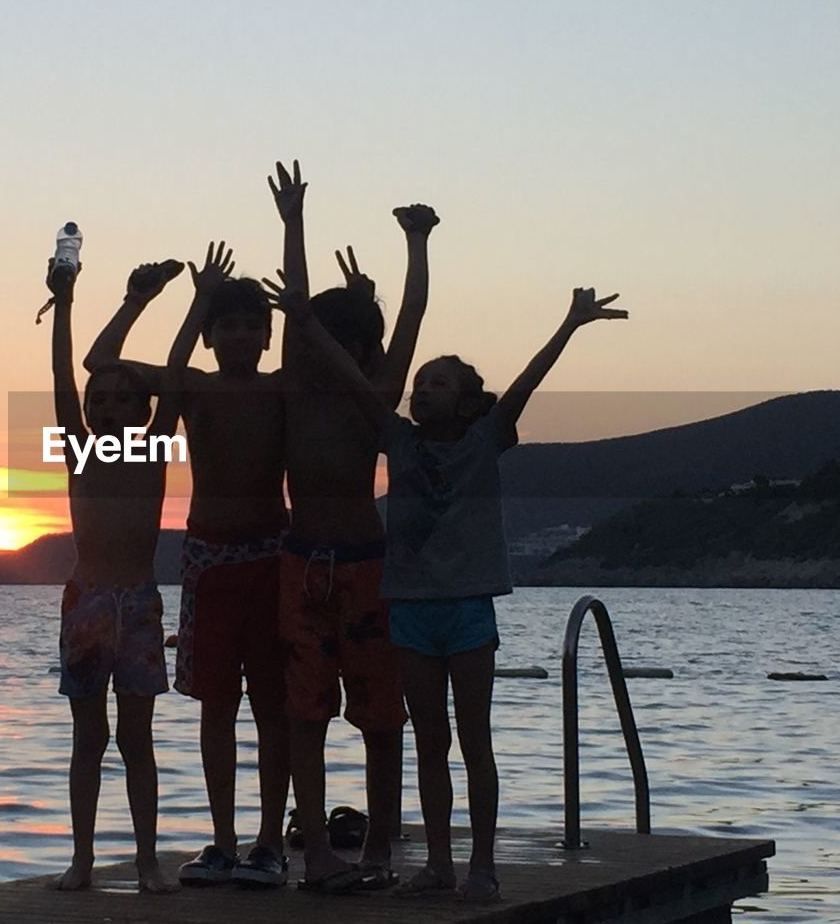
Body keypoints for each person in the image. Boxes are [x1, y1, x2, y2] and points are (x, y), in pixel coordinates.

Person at [262, 273, 628, 903]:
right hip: (409, 611)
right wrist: (305, 317)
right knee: (429, 741)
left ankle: (481, 864)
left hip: (465, 610)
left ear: (464, 403)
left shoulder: (485, 441)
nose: (422, 389)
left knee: (473, 739)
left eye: (438, 382)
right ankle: (436, 863)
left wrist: (568, 326)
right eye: (421, 380)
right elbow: (352, 380)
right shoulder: (397, 440)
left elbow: (522, 387)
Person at [84, 244, 291, 888]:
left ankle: (269, 842)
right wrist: (157, 299)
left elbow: (344, 370)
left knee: (273, 703)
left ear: (266, 334)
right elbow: (99, 363)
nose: (239, 335)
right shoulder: (193, 388)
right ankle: (224, 840)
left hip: (271, 553)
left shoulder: (282, 388)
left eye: (251, 325)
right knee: (216, 705)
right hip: (208, 557)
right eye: (226, 325)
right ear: (207, 336)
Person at [267, 159, 439, 893]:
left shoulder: (375, 397)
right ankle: (315, 850)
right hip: (303, 561)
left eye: (349, 346)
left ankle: (375, 847)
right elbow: (296, 313)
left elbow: (410, 321)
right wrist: (294, 223)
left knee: (380, 714)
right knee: (304, 712)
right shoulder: (295, 396)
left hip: (368, 564)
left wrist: (417, 244)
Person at [46, 257, 182, 895]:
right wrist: (65, 303)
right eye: (99, 399)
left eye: (122, 397)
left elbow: (177, 377)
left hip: (140, 602)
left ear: (145, 407)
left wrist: (193, 303)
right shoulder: (78, 447)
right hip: (87, 602)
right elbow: (60, 376)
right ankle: (82, 861)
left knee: (136, 738)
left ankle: (148, 859)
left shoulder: (154, 449)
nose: (105, 406)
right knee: (88, 738)